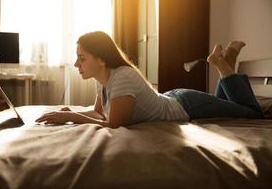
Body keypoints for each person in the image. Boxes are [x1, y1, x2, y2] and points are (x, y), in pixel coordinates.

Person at [35, 31, 263, 128]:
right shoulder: (102, 77)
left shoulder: (122, 77)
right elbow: (99, 113)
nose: (76, 64)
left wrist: (71, 116)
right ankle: (227, 62)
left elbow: (114, 124)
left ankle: (223, 63)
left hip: (187, 106)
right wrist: (68, 114)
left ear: (101, 59)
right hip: (178, 99)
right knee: (232, 107)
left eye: (81, 58)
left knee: (253, 113)